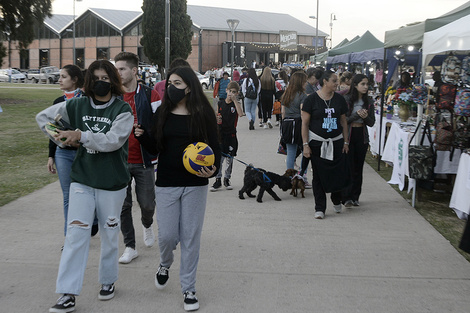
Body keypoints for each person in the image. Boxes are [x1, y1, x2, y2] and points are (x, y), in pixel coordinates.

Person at [37, 60, 134, 312]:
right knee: (76, 235)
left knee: (110, 234)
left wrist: (81, 135)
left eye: (106, 77)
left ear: (113, 80)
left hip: (112, 183)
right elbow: (43, 117)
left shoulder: (122, 110)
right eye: (96, 77)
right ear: (89, 80)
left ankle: (108, 280)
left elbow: (113, 140)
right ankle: (67, 293)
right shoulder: (76, 104)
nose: (101, 81)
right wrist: (60, 138)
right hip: (82, 179)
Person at [135, 66, 221, 311]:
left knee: (191, 237)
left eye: (177, 83)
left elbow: (214, 147)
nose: (171, 87)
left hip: (195, 184)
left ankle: (189, 289)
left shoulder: (203, 113)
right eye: (169, 82)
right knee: (168, 236)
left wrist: (213, 170)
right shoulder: (162, 112)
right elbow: (155, 147)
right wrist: (142, 136)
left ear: (190, 87)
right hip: (167, 182)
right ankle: (165, 263)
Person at [114, 52, 162, 264]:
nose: (118, 73)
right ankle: (130, 246)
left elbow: (161, 127)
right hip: (119, 161)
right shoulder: (113, 96)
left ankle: (147, 223)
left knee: (147, 203)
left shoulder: (151, 95)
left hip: (143, 160)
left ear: (134, 71)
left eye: (122, 68)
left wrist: (146, 135)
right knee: (123, 206)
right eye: (116, 69)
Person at [301, 70, 349, 219]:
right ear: (325, 82)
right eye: (334, 81)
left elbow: (343, 122)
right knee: (319, 176)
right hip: (317, 143)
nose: (337, 83)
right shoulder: (311, 100)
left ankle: (336, 199)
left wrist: (346, 141)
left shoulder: (339, 100)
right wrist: (305, 144)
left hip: (336, 142)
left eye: (337, 81)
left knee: (337, 173)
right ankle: (320, 207)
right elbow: (305, 124)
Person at [46, 64, 87, 237]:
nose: (59, 80)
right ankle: (69, 235)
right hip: (62, 153)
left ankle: (90, 223)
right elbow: (52, 131)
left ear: (75, 79)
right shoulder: (57, 102)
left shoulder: (87, 100)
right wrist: (51, 156)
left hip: (84, 153)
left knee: (85, 193)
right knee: (67, 195)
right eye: (59, 76)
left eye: (63, 76)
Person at [342, 74, 375, 207]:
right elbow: (343, 120)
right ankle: (346, 196)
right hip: (349, 135)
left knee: (358, 167)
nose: (365, 87)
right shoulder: (347, 99)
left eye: (367, 84)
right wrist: (356, 115)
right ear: (355, 85)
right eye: (362, 84)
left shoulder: (369, 102)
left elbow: (372, 123)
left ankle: (355, 196)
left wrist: (366, 117)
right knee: (348, 167)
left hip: (361, 135)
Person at [211, 81, 244, 191]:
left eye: (234, 92)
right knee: (219, 158)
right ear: (226, 91)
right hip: (221, 134)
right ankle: (218, 179)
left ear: (237, 93)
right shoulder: (220, 103)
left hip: (231, 135)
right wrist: (217, 119)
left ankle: (227, 179)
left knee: (229, 159)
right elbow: (216, 115)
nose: (231, 94)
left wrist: (235, 100)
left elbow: (240, 114)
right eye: (230, 91)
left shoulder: (235, 104)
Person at [281, 71, 307, 171]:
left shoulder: (286, 93)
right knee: (305, 150)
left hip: (287, 123)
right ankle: (302, 177)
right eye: (304, 81)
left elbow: (283, 112)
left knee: (291, 152)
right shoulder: (302, 95)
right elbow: (302, 112)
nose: (306, 83)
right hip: (298, 123)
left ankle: (289, 176)